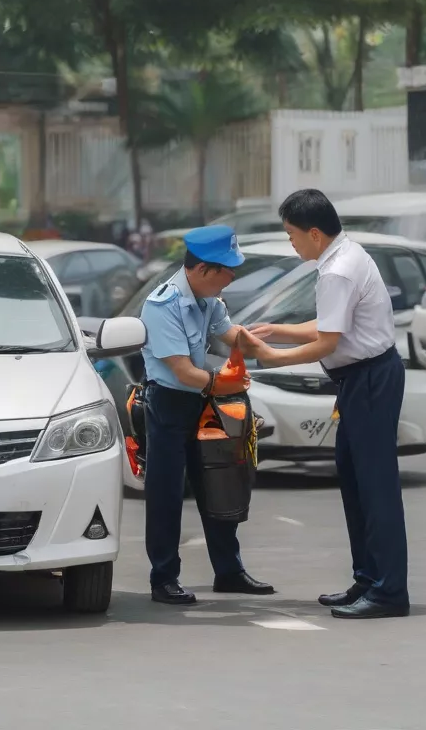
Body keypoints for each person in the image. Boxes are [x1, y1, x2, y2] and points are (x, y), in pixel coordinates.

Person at [238, 189, 409, 619]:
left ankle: (388, 591)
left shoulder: (338, 271)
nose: (290, 242)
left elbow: (329, 341)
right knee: (354, 482)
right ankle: (368, 579)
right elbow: (333, 323)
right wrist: (280, 329)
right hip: (362, 379)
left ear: (314, 233)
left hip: (369, 378)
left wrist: (272, 358)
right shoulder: (342, 257)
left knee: (375, 488)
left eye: (292, 234)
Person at [140, 224, 274, 605]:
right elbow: (183, 371)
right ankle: (163, 577)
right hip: (168, 403)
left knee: (220, 482)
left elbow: (229, 334)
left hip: (202, 401)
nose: (232, 277)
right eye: (226, 270)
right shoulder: (162, 305)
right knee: (166, 493)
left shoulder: (208, 299)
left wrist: (270, 347)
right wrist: (224, 384)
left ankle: (228, 571)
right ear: (202, 270)